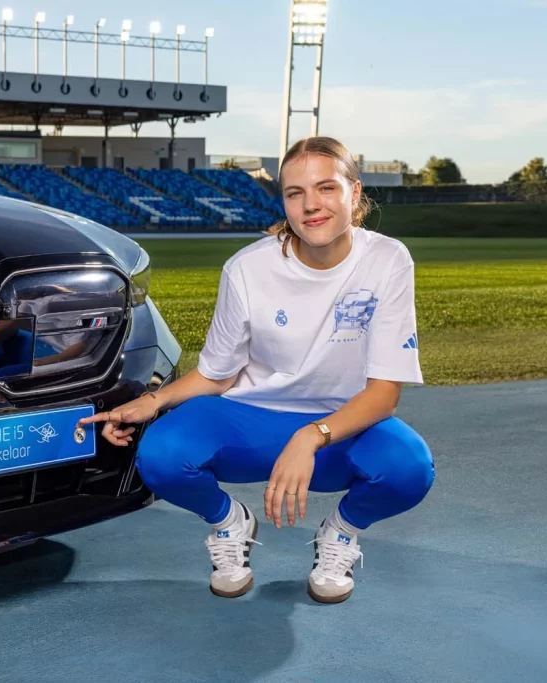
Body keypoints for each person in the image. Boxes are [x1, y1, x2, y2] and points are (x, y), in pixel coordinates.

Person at [79, 136, 435, 604]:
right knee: (161, 454)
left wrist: (311, 435)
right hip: (250, 420)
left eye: (326, 188)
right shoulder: (247, 269)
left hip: (340, 427)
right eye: (294, 193)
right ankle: (230, 524)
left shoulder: (388, 259)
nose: (311, 205)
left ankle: (342, 533)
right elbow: (218, 375)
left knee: (409, 468)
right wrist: (152, 401)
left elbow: (384, 393)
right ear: (283, 201)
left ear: (354, 192)